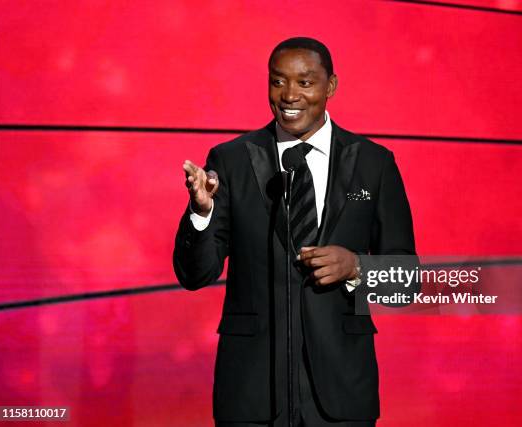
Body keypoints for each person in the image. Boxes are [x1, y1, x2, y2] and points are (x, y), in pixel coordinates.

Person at [173, 37, 415, 426]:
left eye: (305, 83)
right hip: (252, 394)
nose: (289, 95)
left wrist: (356, 267)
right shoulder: (231, 160)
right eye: (277, 81)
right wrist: (201, 213)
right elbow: (195, 274)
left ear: (331, 86)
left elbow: (406, 281)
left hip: (341, 395)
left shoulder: (374, 164)